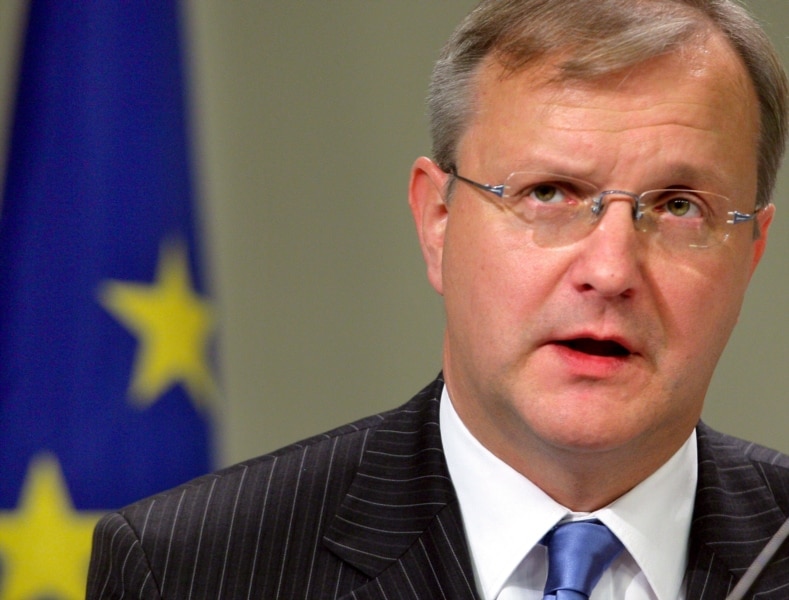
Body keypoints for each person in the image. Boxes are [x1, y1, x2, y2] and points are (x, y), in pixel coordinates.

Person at [86, 0, 789, 598]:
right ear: (437, 221)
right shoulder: (189, 568)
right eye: (548, 193)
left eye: (677, 206)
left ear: (751, 250)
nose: (609, 271)